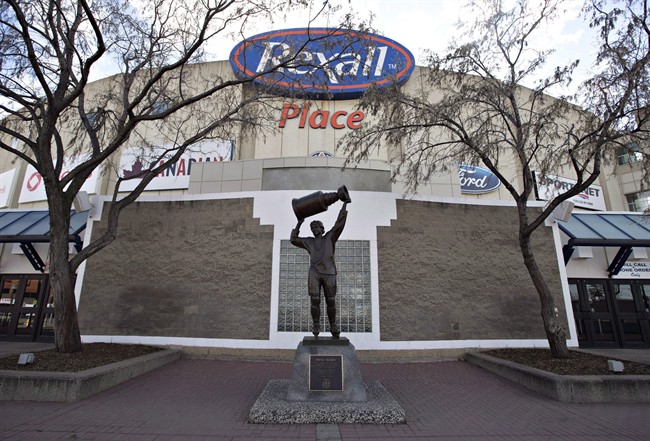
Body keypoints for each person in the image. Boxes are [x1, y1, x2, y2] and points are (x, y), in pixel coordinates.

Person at [290, 201, 348, 338]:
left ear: (322, 229)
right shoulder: (309, 241)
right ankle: (316, 324)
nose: (314, 228)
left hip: (329, 273)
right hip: (314, 273)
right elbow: (293, 239)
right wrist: (299, 223)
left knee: (331, 301)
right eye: (312, 227)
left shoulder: (330, 237)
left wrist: (345, 204)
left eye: (317, 226)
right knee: (314, 300)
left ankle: (333, 325)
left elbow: (339, 224)